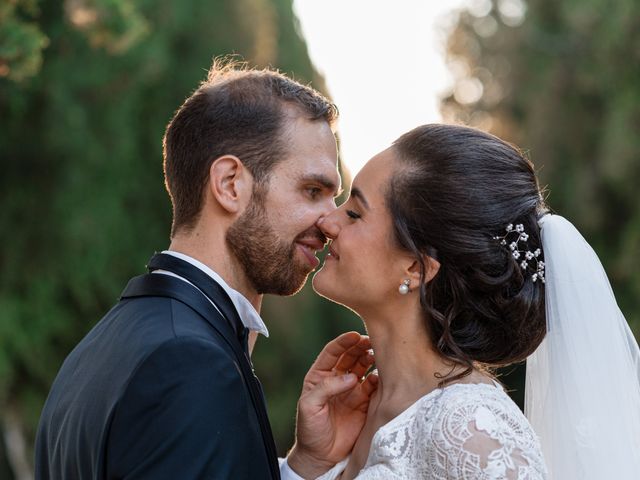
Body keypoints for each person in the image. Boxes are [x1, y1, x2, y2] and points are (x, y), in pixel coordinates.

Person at [34, 61, 378, 480]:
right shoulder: (187, 362)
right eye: (312, 191)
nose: (330, 221)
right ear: (230, 184)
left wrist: (305, 466)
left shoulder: (101, 346)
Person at [311, 124, 640, 479]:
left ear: (416, 266)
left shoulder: (470, 431)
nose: (327, 221)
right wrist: (309, 463)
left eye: (355, 213)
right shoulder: (357, 411)